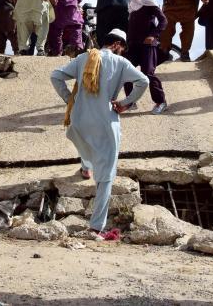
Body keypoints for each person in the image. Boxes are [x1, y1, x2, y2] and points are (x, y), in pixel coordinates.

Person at [49, 29, 148, 236]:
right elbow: (143, 81)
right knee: (106, 176)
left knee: (87, 144)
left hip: (79, 119)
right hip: (105, 121)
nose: (122, 52)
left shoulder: (83, 58)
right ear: (117, 45)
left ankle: (86, 167)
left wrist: (70, 99)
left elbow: (56, 75)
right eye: (122, 48)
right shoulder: (121, 63)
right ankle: (96, 226)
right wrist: (125, 103)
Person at [126, 0, 168, 114]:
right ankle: (130, 101)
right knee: (125, 71)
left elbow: (163, 21)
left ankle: (161, 102)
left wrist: (153, 35)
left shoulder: (149, 2)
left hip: (147, 45)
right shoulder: (131, 3)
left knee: (148, 73)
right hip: (133, 45)